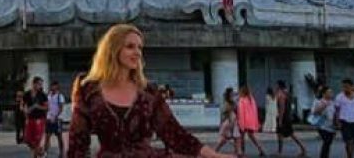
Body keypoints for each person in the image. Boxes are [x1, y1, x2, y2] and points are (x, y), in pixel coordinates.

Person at [67, 23, 233, 157]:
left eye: (140, 47)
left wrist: (212, 154)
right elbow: (77, 143)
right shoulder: (88, 90)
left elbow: (174, 133)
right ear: (113, 50)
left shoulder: (149, 93)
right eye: (130, 47)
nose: (137, 53)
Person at [275, 80, 307, 156]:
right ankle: (302, 148)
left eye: (276, 85)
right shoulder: (288, 94)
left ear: (279, 86)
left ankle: (280, 152)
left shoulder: (282, 95)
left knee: (282, 134)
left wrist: (280, 119)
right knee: (288, 133)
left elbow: (282, 108)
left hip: (283, 117)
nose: (275, 87)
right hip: (288, 116)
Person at [237, 85, 267, 157]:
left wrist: (241, 124)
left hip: (244, 122)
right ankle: (261, 149)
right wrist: (256, 122)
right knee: (251, 136)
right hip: (251, 122)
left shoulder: (242, 100)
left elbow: (241, 113)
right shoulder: (251, 100)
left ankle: (242, 152)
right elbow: (255, 111)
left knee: (241, 137)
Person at [23, 76, 49, 157]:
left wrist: (37, 106)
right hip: (30, 118)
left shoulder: (42, 95)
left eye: (41, 84)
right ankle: (41, 153)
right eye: (39, 84)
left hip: (39, 119)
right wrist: (25, 111)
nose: (40, 86)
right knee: (27, 139)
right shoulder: (27, 94)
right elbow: (23, 105)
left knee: (37, 139)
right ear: (33, 84)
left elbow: (47, 107)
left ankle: (36, 155)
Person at [311, 86, 336, 158]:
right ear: (324, 94)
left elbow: (334, 114)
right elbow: (314, 112)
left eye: (331, 92)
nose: (331, 94)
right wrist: (323, 106)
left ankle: (325, 156)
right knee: (326, 141)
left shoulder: (332, 102)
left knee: (328, 143)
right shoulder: (318, 101)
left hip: (331, 126)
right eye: (329, 92)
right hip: (321, 125)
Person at [215, 87, 242, 155]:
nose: (233, 94)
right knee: (228, 138)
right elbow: (227, 112)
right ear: (230, 93)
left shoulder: (229, 100)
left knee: (235, 137)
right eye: (232, 93)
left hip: (231, 121)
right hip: (230, 121)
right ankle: (238, 152)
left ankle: (238, 152)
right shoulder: (228, 102)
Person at [45, 80, 66, 157]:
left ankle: (61, 153)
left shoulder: (60, 96)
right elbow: (46, 106)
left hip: (57, 119)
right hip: (48, 118)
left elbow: (61, 108)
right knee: (47, 136)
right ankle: (45, 153)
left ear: (57, 87)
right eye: (52, 85)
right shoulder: (48, 95)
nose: (52, 87)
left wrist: (55, 117)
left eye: (54, 86)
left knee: (59, 137)